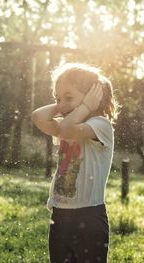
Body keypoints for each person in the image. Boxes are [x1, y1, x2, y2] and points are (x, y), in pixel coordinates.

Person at [31, 62, 118, 263]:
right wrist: (64, 103)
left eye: (69, 97)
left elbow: (68, 129)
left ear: (92, 98)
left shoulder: (100, 125)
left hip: (89, 218)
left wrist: (87, 105)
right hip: (60, 216)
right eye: (58, 98)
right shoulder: (66, 125)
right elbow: (37, 116)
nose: (62, 104)